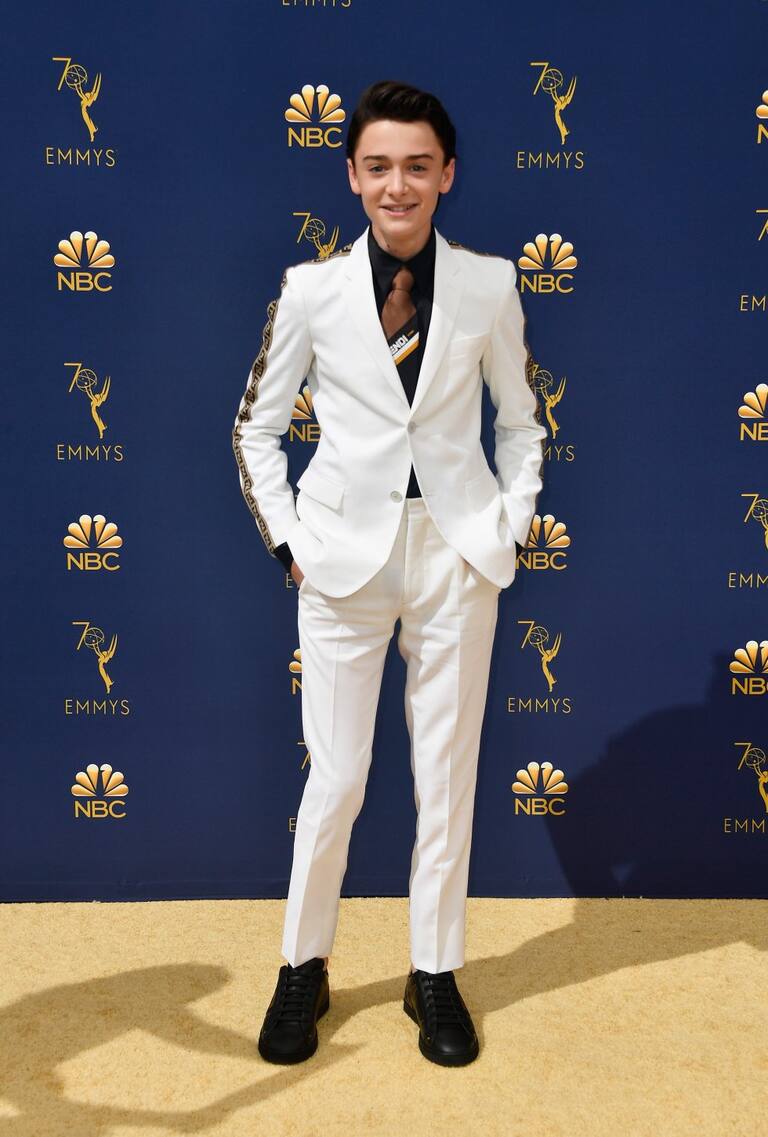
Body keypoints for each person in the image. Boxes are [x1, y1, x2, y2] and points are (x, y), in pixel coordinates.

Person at [232, 79, 546, 1067]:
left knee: (445, 776)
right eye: (378, 166)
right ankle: (303, 966)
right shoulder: (311, 290)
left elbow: (522, 422)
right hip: (341, 561)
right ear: (351, 176)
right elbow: (255, 428)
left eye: (417, 165)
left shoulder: (490, 284)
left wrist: (507, 526)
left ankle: (434, 973)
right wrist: (290, 543)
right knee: (336, 778)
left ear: (446, 174)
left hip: (456, 554)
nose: (397, 185)